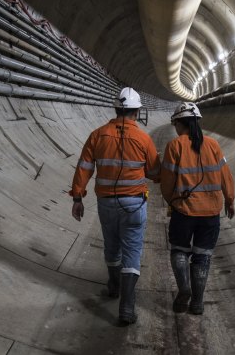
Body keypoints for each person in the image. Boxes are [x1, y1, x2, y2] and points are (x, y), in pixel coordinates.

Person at [70, 87, 160, 326]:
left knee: (111, 245)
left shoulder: (98, 135)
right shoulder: (143, 138)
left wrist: (77, 198)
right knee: (132, 251)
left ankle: (113, 285)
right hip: (134, 203)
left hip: (106, 202)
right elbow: (154, 172)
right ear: (137, 111)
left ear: (115, 108)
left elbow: (84, 167)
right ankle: (127, 308)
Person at [160, 101, 235, 315]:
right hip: (211, 212)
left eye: (176, 124)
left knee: (179, 250)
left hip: (184, 210)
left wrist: (172, 202)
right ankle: (198, 303)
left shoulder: (175, 146)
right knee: (202, 256)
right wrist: (229, 200)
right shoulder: (213, 145)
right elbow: (225, 175)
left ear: (180, 124)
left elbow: (167, 182)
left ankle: (184, 289)